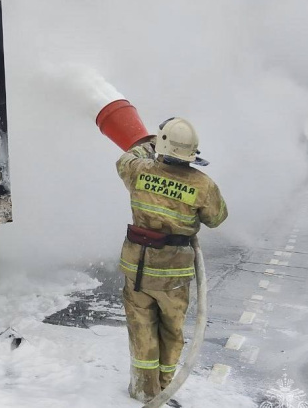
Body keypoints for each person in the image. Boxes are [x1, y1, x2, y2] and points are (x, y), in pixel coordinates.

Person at [116, 117, 228, 403]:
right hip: (173, 274)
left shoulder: (139, 170)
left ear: (162, 144)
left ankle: (143, 391)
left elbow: (124, 159)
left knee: (141, 330)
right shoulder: (204, 185)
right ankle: (165, 389)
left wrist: (147, 144)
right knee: (171, 331)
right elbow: (216, 218)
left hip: (137, 270)